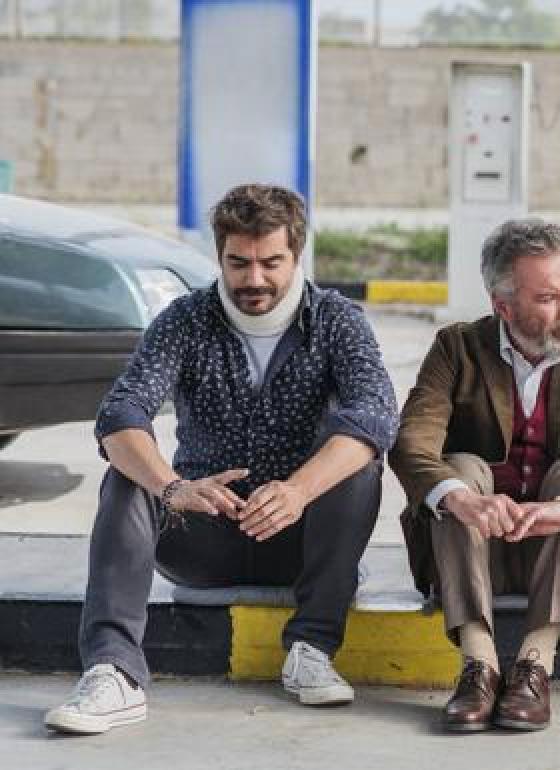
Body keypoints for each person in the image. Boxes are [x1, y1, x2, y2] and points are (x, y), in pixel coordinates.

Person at [44, 184, 398, 735]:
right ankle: (113, 672)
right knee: (127, 474)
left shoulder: (337, 320)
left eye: (270, 263)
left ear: (296, 255)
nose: (254, 279)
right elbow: (120, 412)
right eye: (239, 263)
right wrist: (172, 487)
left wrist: (298, 490)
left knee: (359, 463)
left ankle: (311, 649)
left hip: (299, 540)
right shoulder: (184, 319)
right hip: (201, 536)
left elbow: (376, 414)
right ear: (219, 256)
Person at [389, 219, 560, 733]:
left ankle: (535, 663)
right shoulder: (456, 349)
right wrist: (459, 498)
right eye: (548, 298)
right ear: (503, 306)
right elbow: (412, 439)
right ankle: (479, 665)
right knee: (458, 470)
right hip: (473, 549)